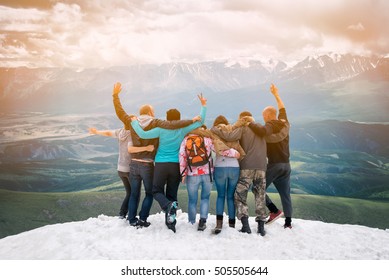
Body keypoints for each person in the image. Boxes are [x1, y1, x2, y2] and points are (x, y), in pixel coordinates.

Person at [112, 82, 194, 227]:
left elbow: (120, 112)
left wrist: (115, 96)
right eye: (153, 111)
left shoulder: (132, 122)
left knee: (134, 194)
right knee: (150, 193)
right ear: (150, 112)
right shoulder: (156, 122)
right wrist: (191, 122)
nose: (155, 113)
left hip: (134, 164)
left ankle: (132, 220)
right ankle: (143, 219)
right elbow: (172, 125)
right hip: (148, 164)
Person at [130, 94, 207, 233]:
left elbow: (142, 134)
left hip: (160, 164)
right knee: (172, 193)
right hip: (176, 165)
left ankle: (167, 205)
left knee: (155, 190)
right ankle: (171, 223)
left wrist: (134, 122)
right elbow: (200, 122)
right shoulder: (182, 129)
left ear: (167, 118)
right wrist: (203, 105)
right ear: (178, 119)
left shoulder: (161, 129)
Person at [211, 110, 284, 236]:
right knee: (260, 195)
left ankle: (246, 226)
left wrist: (215, 129)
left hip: (247, 167)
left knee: (240, 195)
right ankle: (261, 227)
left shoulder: (243, 128)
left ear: (242, 119)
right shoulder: (261, 129)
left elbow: (229, 137)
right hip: (261, 167)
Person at [179, 125, 240, 231]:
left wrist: (183, 174)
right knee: (205, 198)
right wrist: (234, 153)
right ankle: (203, 221)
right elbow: (220, 150)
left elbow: (182, 156)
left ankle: (192, 222)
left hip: (192, 174)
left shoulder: (186, 140)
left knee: (192, 200)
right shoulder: (207, 139)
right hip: (207, 173)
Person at [249, 84, 292, 229]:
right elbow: (282, 109)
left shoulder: (270, 126)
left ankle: (274, 210)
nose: (264, 119)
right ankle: (288, 223)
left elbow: (261, 131)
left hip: (274, 164)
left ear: (267, 116)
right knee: (286, 194)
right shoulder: (284, 123)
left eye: (263, 116)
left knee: (256, 187)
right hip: (286, 165)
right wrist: (276, 95)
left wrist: (250, 123)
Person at [87, 127, 133, 219]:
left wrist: (96, 131)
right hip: (129, 168)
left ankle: (122, 214)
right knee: (134, 194)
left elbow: (108, 133)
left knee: (129, 193)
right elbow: (131, 149)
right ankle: (130, 215)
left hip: (120, 168)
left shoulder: (120, 131)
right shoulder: (132, 133)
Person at [210, 115, 244, 234]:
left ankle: (219, 224)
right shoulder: (232, 133)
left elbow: (213, 149)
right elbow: (239, 151)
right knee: (230, 196)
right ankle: (231, 224)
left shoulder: (213, 133)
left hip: (220, 167)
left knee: (220, 196)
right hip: (234, 167)